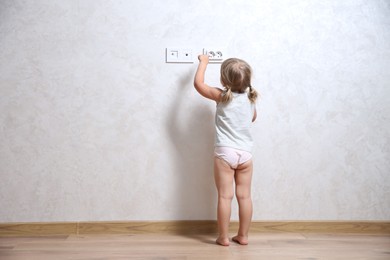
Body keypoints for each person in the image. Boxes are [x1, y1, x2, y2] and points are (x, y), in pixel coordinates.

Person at [193, 55, 258, 246]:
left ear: (223, 80)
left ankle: (223, 237)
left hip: (225, 153)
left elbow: (198, 84)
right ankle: (243, 236)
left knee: (224, 196)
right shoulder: (251, 98)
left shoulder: (221, 96)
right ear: (247, 81)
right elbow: (252, 118)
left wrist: (203, 61)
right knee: (245, 196)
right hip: (245, 154)